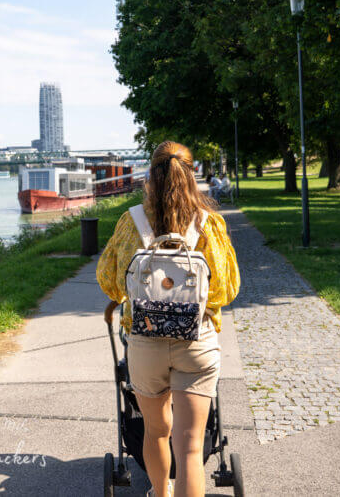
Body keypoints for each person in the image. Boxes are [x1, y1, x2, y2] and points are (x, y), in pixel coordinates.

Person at [96, 141, 240, 497]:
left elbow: (109, 280)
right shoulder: (210, 226)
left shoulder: (131, 223)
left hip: (146, 345)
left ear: (150, 177)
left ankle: (160, 493)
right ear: (191, 176)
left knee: (156, 432)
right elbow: (226, 288)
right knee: (191, 448)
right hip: (197, 342)